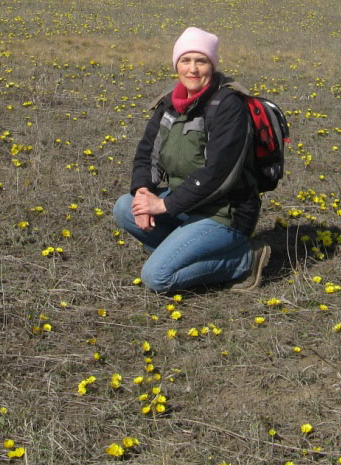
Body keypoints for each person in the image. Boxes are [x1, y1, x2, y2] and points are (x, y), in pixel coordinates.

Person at [113, 27, 270, 292]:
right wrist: (143, 194)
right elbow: (146, 154)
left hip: (224, 213)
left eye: (201, 61)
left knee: (157, 277)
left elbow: (218, 175)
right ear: (176, 65)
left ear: (212, 65)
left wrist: (163, 207)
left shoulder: (228, 106)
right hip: (185, 204)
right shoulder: (169, 104)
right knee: (124, 207)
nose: (193, 69)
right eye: (186, 60)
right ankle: (185, 248)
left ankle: (242, 261)